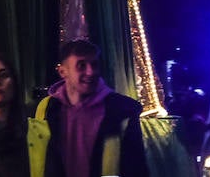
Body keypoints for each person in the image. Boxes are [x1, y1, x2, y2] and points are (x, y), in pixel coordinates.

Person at [34, 40, 146, 177]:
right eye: (81, 65)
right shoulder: (47, 108)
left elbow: (136, 167)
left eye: (94, 65)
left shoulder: (122, 109)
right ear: (63, 72)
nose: (90, 72)